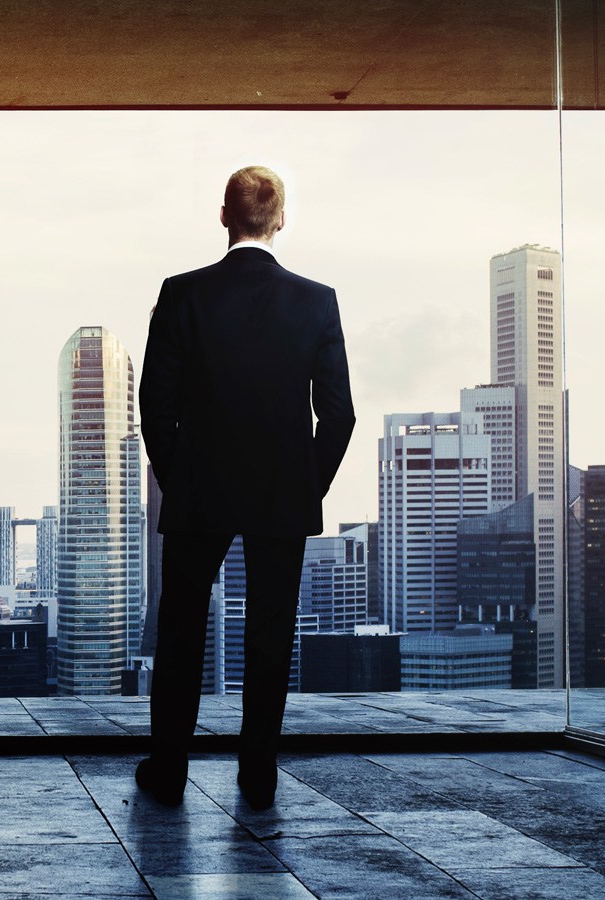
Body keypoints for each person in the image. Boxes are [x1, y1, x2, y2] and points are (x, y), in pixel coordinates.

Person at [134, 165, 355, 808]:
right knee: (268, 637)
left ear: (224, 215)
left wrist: (183, 479)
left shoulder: (182, 294)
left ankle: (169, 769)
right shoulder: (318, 301)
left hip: (199, 489)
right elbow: (337, 414)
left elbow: (155, 406)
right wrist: (304, 486)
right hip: (281, 495)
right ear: (280, 220)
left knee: (180, 636)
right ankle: (257, 774)